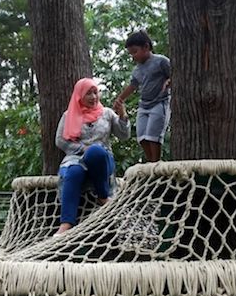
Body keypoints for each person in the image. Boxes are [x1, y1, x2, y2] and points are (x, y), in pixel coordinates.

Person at [55, 77, 130, 234]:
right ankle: (66, 223)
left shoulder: (107, 113)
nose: (94, 97)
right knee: (73, 171)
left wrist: (122, 115)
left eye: (95, 92)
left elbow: (124, 135)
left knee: (96, 151)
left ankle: (103, 196)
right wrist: (83, 148)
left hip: (101, 158)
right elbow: (60, 141)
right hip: (76, 157)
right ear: (79, 96)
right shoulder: (69, 115)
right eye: (89, 93)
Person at [113, 30, 171, 163]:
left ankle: (156, 162)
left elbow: (173, 74)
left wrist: (169, 81)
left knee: (153, 136)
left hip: (159, 102)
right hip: (144, 105)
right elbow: (133, 85)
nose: (133, 56)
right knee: (142, 137)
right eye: (130, 53)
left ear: (146, 47)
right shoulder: (137, 69)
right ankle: (151, 162)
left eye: (135, 52)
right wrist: (120, 99)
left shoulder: (161, 61)